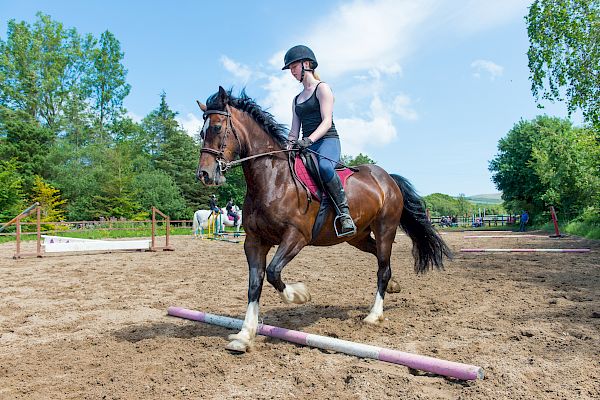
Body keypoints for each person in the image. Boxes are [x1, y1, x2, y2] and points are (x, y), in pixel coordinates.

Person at [282, 44, 356, 237]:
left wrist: (309, 140)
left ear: (307, 64)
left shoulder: (322, 88)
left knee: (324, 166)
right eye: (290, 69)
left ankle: (344, 213)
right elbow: (293, 131)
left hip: (327, 141)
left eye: (293, 67)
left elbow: (326, 121)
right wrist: (288, 146)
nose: (292, 72)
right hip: (307, 144)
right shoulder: (296, 99)